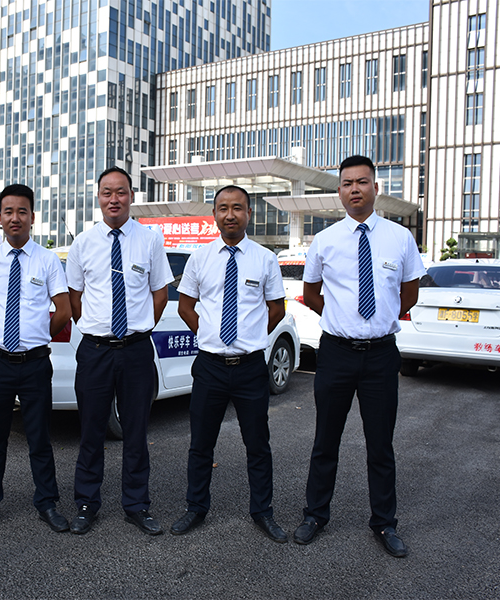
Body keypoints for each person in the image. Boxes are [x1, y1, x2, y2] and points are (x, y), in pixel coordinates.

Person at [293, 155, 425, 557]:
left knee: (380, 444)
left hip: (381, 355)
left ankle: (384, 523)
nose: (355, 189)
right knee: (325, 440)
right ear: (339, 192)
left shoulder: (399, 238)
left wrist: (377, 319)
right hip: (336, 353)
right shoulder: (325, 240)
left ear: (375, 188)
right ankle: (315, 514)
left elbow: (409, 293)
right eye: (347, 183)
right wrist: (342, 318)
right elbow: (311, 293)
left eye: (362, 182)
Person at [168, 185, 288, 542]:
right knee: (201, 444)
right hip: (210, 367)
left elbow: (277, 309)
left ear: (248, 213)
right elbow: (185, 306)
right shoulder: (200, 258)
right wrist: (210, 335)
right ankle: (196, 507)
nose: (230, 214)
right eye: (223, 208)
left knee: (258, 444)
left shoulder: (265, 259)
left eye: (237, 208)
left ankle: (262, 511)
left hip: (250, 367)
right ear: (215, 215)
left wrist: (251, 338)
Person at [66, 166, 174, 535]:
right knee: (91, 430)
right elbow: (75, 296)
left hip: (136, 351)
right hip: (95, 351)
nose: (114, 199)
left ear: (131, 196)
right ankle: (86, 503)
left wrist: (139, 328)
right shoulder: (83, 243)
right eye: (107, 192)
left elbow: (160, 292)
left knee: (136, 431)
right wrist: (94, 327)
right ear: (98, 197)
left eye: (121, 192)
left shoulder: (149, 240)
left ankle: (137, 504)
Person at [0, 184, 72, 533]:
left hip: (35, 363)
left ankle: (47, 503)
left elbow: (64, 310)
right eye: (8, 211)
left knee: (39, 438)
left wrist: (35, 336)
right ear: (0, 217)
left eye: (22, 211)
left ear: (32, 217)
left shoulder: (47, 260)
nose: (15, 218)